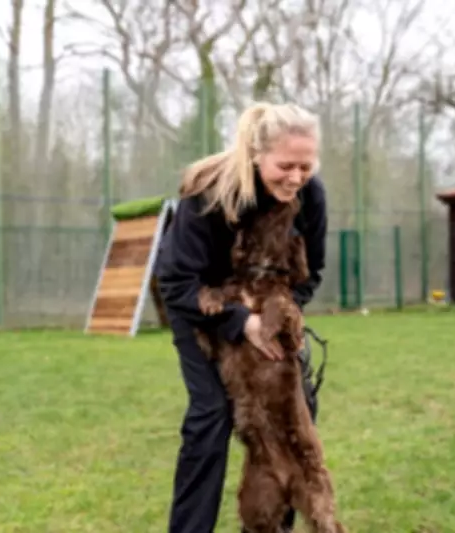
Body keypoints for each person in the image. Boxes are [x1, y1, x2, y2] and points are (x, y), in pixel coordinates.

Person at [156, 101, 328, 533]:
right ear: (255, 154)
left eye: (305, 167)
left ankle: (271, 526)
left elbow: (310, 274)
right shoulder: (209, 193)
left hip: (268, 310)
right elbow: (176, 283)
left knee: (296, 410)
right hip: (202, 308)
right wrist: (241, 322)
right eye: (285, 166)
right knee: (211, 416)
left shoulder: (311, 195)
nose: (296, 177)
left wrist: (277, 317)